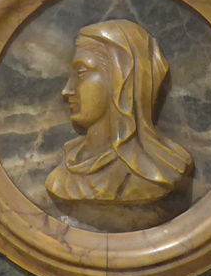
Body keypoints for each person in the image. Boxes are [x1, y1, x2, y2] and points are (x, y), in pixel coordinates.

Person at [46, 19, 193, 205]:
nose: (67, 90)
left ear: (121, 79)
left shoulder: (157, 175)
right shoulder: (62, 176)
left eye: (81, 73)